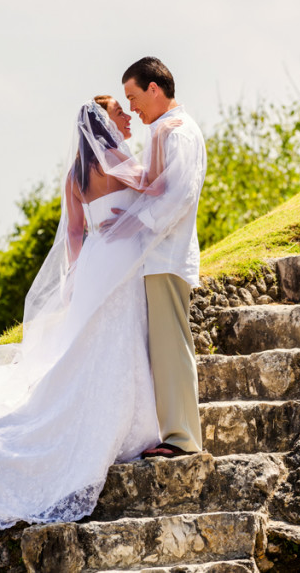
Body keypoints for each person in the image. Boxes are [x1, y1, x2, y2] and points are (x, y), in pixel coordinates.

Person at [0, 98, 180, 530]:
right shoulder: (120, 160)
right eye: (120, 114)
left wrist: (75, 276)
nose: (127, 118)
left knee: (91, 339)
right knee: (121, 336)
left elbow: (73, 231)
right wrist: (163, 137)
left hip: (93, 261)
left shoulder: (75, 173)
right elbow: (156, 186)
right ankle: (131, 423)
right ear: (106, 125)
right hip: (121, 260)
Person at [114, 57, 207, 459]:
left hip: (167, 255)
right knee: (163, 347)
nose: (133, 107)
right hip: (158, 257)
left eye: (134, 97)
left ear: (154, 89)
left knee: (172, 347)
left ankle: (183, 439)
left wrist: (136, 223)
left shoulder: (180, 133)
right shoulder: (166, 132)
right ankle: (173, 432)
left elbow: (180, 195)